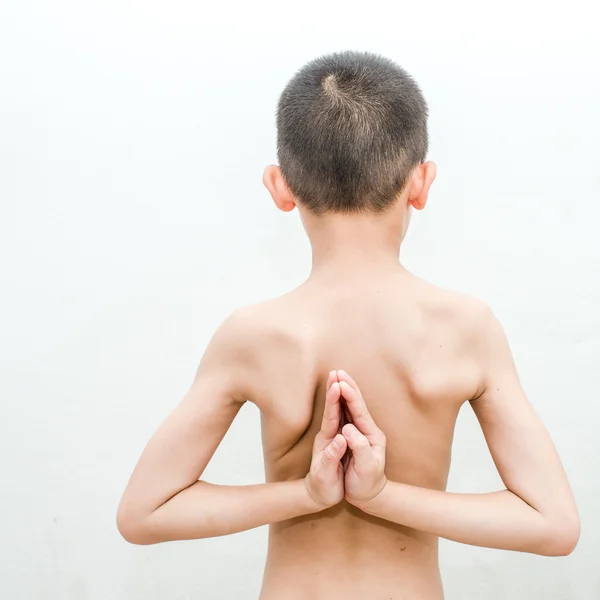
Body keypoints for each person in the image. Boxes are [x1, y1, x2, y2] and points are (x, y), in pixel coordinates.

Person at [116, 51, 580, 599]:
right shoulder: (465, 329)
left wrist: (307, 494)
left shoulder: (252, 335)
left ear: (280, 187)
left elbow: (143, 513)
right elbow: (552, 524)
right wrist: (381, 495)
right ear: (421, 183)